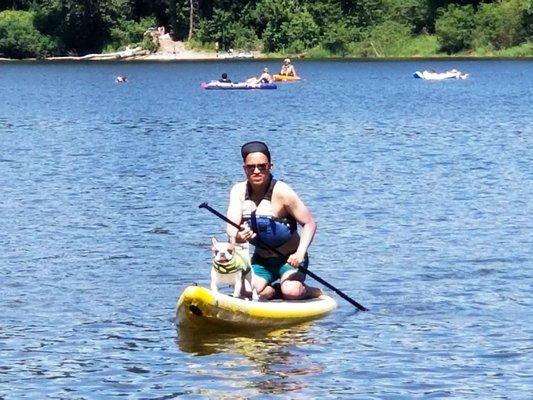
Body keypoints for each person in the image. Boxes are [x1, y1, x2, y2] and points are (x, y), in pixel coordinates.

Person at [226, 141, 322, 301]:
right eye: (251, 167)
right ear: (245, 169)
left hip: (291, 259)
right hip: (262, 261)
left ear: (270, 166)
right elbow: (231, 227)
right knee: (246, 290)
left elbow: (310, 223)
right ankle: (274, 292)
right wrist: (237, 237)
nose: (256, 171)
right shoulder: (238, 191)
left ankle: (312, 292)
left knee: (292, 291)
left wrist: (300, 253)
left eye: (262, 166)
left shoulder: (283, 191)